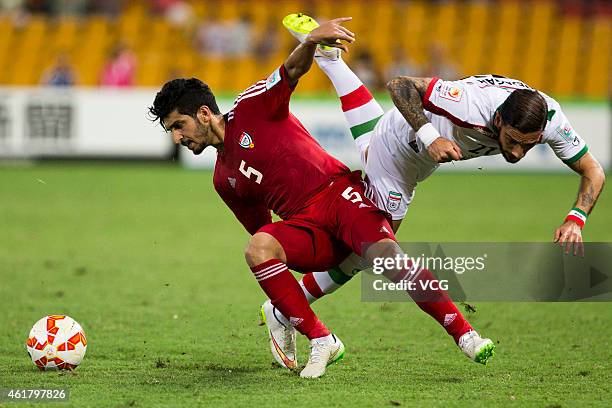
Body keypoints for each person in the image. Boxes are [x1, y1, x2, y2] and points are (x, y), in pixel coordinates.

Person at [260, 12, 605, 372]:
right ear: (499, 121)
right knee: (373, 247)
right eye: (514, 142)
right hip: (400, 152)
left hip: (416, 156)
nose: (518, 153)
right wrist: (431, 136)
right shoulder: (468, 103)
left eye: (529, 146)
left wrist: (576, 219)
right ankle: (285, 306)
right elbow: (399, 86)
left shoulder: (550, 117)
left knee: (369, 165)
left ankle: (328, 59)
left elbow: (593, 171)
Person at [149, 17, 492, 378]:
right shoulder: (224, 180)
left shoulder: (251, 108)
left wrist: (311, 40)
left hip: (340, 196)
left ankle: (465, 335)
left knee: (388, 258)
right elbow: (265, 238)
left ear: (204, 114)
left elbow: (292, 69)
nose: (176, 138)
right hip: (309, 228)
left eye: (177, 126)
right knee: (258, 249)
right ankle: (321, 339)